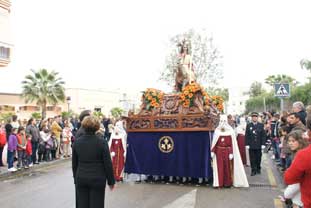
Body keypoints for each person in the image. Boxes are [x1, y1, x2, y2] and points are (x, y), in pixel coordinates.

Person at [72, 116, 115, 208]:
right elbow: (107, 163)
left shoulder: (77, 142)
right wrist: (111, 181)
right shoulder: (102, 142)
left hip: (81, 177)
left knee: (82, 204)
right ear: (97, 127)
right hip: (97, 178)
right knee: (97, 204)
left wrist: (76, 177)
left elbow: (74, 163)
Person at [211, 115, 249, 188]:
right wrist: (213, 151)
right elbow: (214, 142)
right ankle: (219, 183)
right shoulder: (217, 130)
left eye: (224, 121)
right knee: (220, 168)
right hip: (219, 151)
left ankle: (227, 183)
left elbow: (232, 143)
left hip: (227, 151)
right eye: (221, 121)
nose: (223, 123)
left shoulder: (230, 130)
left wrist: (231, 153)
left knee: (227, 168)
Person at [281, 130, 308, 208]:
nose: (290, 143)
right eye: (289, 141)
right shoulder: (297, 154)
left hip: (300, 198)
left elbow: (297, 181)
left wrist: (287, 194)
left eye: (293, 141)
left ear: (301, 141)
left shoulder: (301, 156)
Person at [245, 112, 266, 176]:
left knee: (258, 157)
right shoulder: (249, 125)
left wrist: (263, 144)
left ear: (257, 118)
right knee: (252, 158)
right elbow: (247, 135)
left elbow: (263, 135)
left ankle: (258, 168)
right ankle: (253, 170)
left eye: (255, 117)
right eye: (253, 117)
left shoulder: (261, 125)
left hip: (258, 144)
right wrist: (247, 144)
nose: (254, 118)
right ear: (252, 118)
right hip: (251, 145)